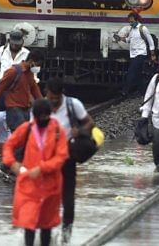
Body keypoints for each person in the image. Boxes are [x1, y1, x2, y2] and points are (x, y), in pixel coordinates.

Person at [3, 99, 68, 246]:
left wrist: (42, 168)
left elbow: (60, 157)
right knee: (28, 222)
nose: (42, 120)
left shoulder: (58, 131)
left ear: (49, 115)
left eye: (45, 117)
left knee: (47, 223)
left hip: (51, 185)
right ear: (35, 116)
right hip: (29, 185)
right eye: (40, 117)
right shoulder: (27, 129)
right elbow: (9, 145)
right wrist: (12, 163)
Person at [45, 78, 95, 244]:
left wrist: (79, 131)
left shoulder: (73, 105)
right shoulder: (40, 107)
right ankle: (47, 229)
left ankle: (67, 232)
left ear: (62, 95)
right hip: (46, 158)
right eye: (51, 98)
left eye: (56, 98)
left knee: (67, 196)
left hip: (67, 156)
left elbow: (90, 122)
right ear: (47, 93)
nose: (53, 101)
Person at [0, 30, 31, 144]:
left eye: (17, 43)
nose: (15, 45)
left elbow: (32, 77)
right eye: (13, 43)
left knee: (17, 119)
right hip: (1, 89)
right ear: (9, 41)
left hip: (18, 92)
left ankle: (13, 143)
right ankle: (1, 142)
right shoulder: (2, 51)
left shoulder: (27, 54)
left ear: (22, 42)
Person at [0, 51, 44, 133]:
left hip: (25, 109)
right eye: (38, 64)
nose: (38, 67)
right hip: (13, 109)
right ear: (32, 61)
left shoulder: (30, 74)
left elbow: (35, 90)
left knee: (23, 136)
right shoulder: (13, 71)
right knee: (21, 134)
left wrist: (44, 105)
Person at [117, 11, 157, 97]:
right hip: (133, 54)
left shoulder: (143, 28)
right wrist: (120, 38)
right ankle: (143, 92)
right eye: (129, 22)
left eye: (132, 22)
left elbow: (150, 41)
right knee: (138, 74)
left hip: (141, 53)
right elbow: (128, 40)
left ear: (137, 20)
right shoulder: (131, 29)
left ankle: (125, 90)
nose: (130, 23)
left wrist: (153, 54)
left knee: (131, 71)